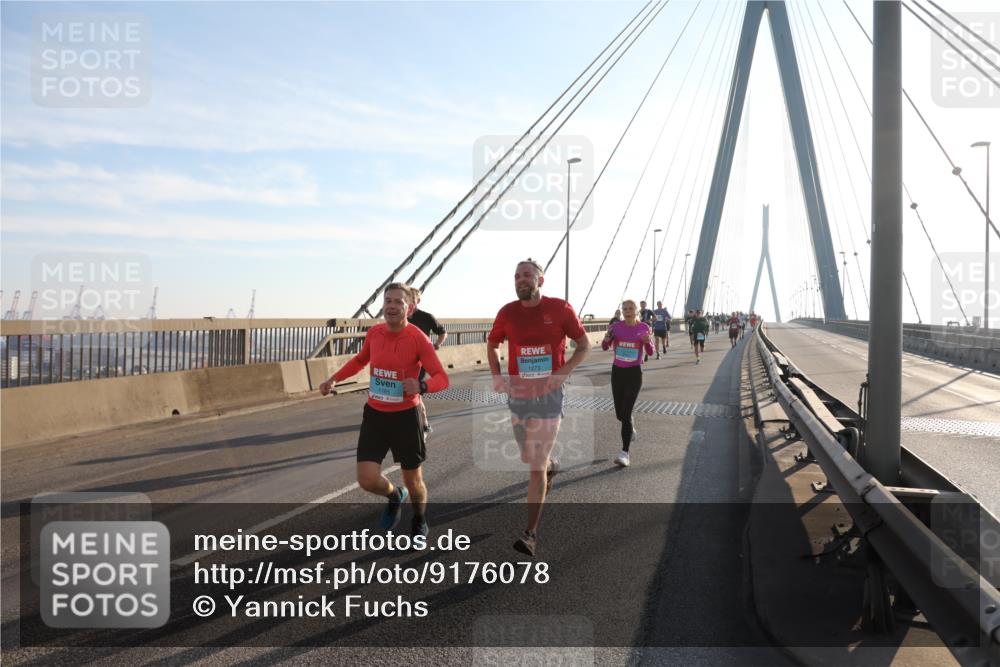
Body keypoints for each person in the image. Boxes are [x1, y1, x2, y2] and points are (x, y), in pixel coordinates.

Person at [319, 283, 449, 540]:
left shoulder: (418, 339)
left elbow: (442, 378)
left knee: (414, 481)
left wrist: (421, 385)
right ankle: (393, 495)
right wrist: (334, 378)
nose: (391, 306)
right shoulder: (375, 333)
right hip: (376, 415)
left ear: (409, 308)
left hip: (405, 417)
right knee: (367, 479)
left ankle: (419, 520)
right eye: (387, 301)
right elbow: (360, 360)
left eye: (398, 302)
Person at [487, 258, 591, 557]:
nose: (521, 280)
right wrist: (497, 376)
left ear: (540, 280)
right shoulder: (507, 312)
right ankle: (551, 467)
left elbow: (584, 345)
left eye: (527, 275)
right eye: (517, 275)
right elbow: (492, 344)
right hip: (519, 394)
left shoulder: (560, 309)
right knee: (527, 455)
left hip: (549, 395)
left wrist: (564, 371)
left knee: (534, 464)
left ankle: (530, 534)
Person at [601, 299, 654, 467]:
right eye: (625, 308)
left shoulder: (643, 328)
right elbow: (604, 346)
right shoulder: (615, 327)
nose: (627, 310)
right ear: (622, 311)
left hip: (634, 373)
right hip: (618, 372)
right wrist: (607, 338)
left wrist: (647, 341)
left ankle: (625, 453)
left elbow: (651, 352)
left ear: (637, 311)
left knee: (625, 413)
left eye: (631, 308)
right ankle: (630, 424)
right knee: (620, 415)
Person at [407, 287, 447, 436]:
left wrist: (436, 345)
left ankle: (424, 422)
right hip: (402, 360)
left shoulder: (426, 317)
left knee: (415, 391)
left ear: (418, 300)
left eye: (412, 297)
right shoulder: (401, 316)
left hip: (420, 361)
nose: (409, 300)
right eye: (406, 297)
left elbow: (443, 332)